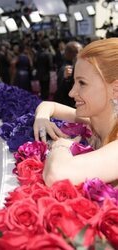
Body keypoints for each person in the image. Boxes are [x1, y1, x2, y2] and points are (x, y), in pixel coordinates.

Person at [33, 38, 118, 187]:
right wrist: (42, 119)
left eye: (82, 83)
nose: (72, 93)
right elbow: (48, 105)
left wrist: (61, 145)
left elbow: (56, 174)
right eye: (74, 82)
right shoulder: (93, 122)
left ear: (115, 89)